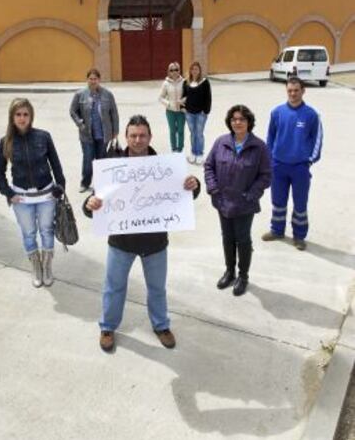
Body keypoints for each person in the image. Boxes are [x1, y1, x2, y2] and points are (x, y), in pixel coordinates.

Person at [84, 114, 201, 352]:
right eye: (133, 135)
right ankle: (107, 327)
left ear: (150, 137)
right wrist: (89, 203)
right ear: (126, 138)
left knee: (157, 288)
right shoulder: (113, 166)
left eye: (142, 135)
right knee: (114, 286)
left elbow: (182, 195)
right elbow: (95, 201)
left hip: (155, 243)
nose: (138, 140)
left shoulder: (165, 166)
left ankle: (161, 325)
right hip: (121, 242)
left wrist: (193, 185)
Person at [0, 98, 66, 288]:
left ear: (31, 116)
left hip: (46, 195)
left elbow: (56, 164)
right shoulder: (5, 142)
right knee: (28, 233)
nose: (22, 118)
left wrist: (60, 187)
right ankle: (36, 267)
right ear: (12, 117)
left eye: (25, 114)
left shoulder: (43, 136)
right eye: (18, 114)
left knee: (47, 230)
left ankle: (47, 266)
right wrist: (8, 193)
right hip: (21, 198)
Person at [204, 105, 271, 296]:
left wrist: (250, 195)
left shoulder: (259, 147)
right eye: (234, 119)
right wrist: (213, 188)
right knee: (227, 238)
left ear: (249, 122)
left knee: (242, 239)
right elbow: (209, 166)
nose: (238, 122)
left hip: (244, 204)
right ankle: (229, 271)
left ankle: (243, 276)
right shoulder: (221, 142)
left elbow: (266, 175)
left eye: (242, 119)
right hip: (223, 202)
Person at [262, 76, 323, 250]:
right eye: (290, 90)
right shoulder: (277, 112)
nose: (293, 94)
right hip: (278, 166)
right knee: (278, 201)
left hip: (300, 168)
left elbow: (317, 140)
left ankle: (299, 236)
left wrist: (309, 161)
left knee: (300, 203)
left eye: (296, 90)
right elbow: (270, 137)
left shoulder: (311, 115)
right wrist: (270, 157)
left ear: (303, 91)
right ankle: (277, 230)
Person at [70, 68, 119, 193]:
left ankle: (100, 184)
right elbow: (72, 111)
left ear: (99, 80)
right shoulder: (80, 95)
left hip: (103, 134)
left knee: (101, 160)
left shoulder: (107, 94)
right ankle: (85, 183)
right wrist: (80, 124)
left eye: (95, 79)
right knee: (88, 160)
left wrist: (115, 130)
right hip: (87, 135)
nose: (93, 81)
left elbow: (114, 113)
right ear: (87, 80)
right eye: (90, 79)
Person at [182, 61, 212, 165]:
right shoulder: (186, 82)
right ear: (190, 71)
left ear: (199, 71)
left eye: (196, 69)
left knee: (199, 134)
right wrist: (183, 108)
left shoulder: (204, 82)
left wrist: (206, 111)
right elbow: (183, 96)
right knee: (192, 133)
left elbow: (208, 98)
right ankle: (193, 153)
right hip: (189, 113)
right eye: (192, 69)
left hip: (201, 113)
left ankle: (200, 154)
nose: (194, 71)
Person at [159, 61, 185, 152]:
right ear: (169, 71)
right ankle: (174, 149)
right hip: (170, 111)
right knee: (173, 131)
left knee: (181, 131)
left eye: (176, 69)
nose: (174, 72)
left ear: (179, 71)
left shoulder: (184, 82)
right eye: (172, 70)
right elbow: (160, 97)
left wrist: (183, 101)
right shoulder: (165, 83)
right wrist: (168, 104)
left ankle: (180, 148)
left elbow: (188, 95)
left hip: (181, 111)